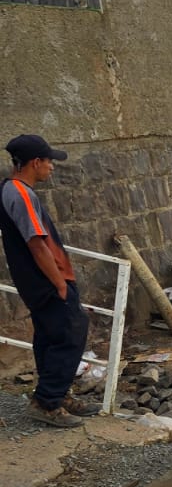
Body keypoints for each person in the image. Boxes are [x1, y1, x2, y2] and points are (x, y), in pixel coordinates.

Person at [2, 135, 93, 428]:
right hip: (46, 279)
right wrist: (60, 282)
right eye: (49, 161)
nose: (52, 167)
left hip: (36, 280)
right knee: (70, 331)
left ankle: (55, 394)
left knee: (49, 336)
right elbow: (36, 243)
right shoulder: (20, 193)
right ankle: (47, 402)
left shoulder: (11, 189)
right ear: (35, 162)